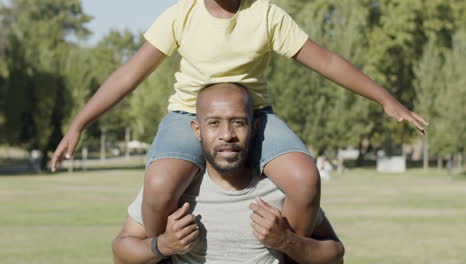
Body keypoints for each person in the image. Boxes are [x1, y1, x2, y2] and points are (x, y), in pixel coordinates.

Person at [51, 0, 429, 241]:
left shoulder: (265, 14)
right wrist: (78, 123)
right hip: (188, 115)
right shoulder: (181, 15)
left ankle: (288, 254)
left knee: (305, 178)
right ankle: (161, 254)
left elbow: (326, 60)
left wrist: (385, 99)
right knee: (159, 182)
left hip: (254, 116)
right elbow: (129, 74)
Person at [112, 83, 345, 264]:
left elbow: (335, 255)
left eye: (238, 123)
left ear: (254, 128)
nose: (227, 134)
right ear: (197, 130)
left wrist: (287, 241)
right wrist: (162, 245)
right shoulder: (174, 188)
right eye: (214, 123)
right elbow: (121, 252)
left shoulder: (279, 187)